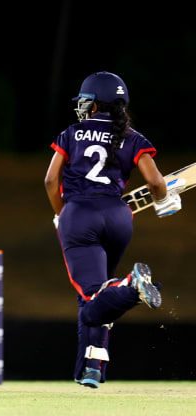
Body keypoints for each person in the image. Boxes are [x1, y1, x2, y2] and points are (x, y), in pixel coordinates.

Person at [44, 71, 182, 388]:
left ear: (93, 104)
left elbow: (51, 180)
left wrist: (61, 213)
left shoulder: (72, 133)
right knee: (100, 293)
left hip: (79, 215)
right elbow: (156, 182)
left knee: (94, 296)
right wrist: (163, 202)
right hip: (119, 217)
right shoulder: (132, 137)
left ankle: (132, 286)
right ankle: (92, 368)